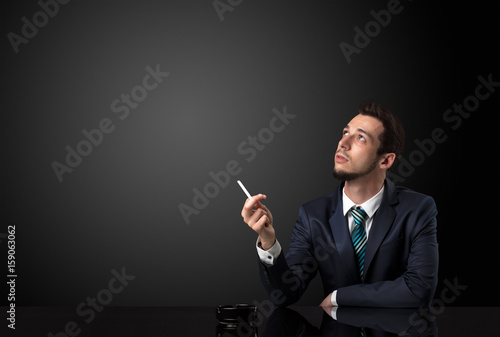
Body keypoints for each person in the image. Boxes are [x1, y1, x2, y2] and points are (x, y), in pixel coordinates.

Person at [241, 101, 438, 308]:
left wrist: (339, 297)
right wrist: (268, 241)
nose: (343, 143)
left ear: (386, 161)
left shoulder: (417, 209)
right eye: (345, 132)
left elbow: (419, 289)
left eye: (360, 137)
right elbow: (286, 294)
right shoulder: (313, 215)